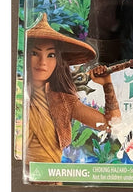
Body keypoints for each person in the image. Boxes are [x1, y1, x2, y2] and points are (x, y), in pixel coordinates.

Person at [25, 13, 120, 165]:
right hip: (16, 171)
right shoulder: (17, 93)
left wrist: (107, 84)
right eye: (34, 53)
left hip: (49, 174)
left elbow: (112, 125)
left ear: (58, 60)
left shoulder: (64, 101)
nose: (42, 62)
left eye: (51, 55)